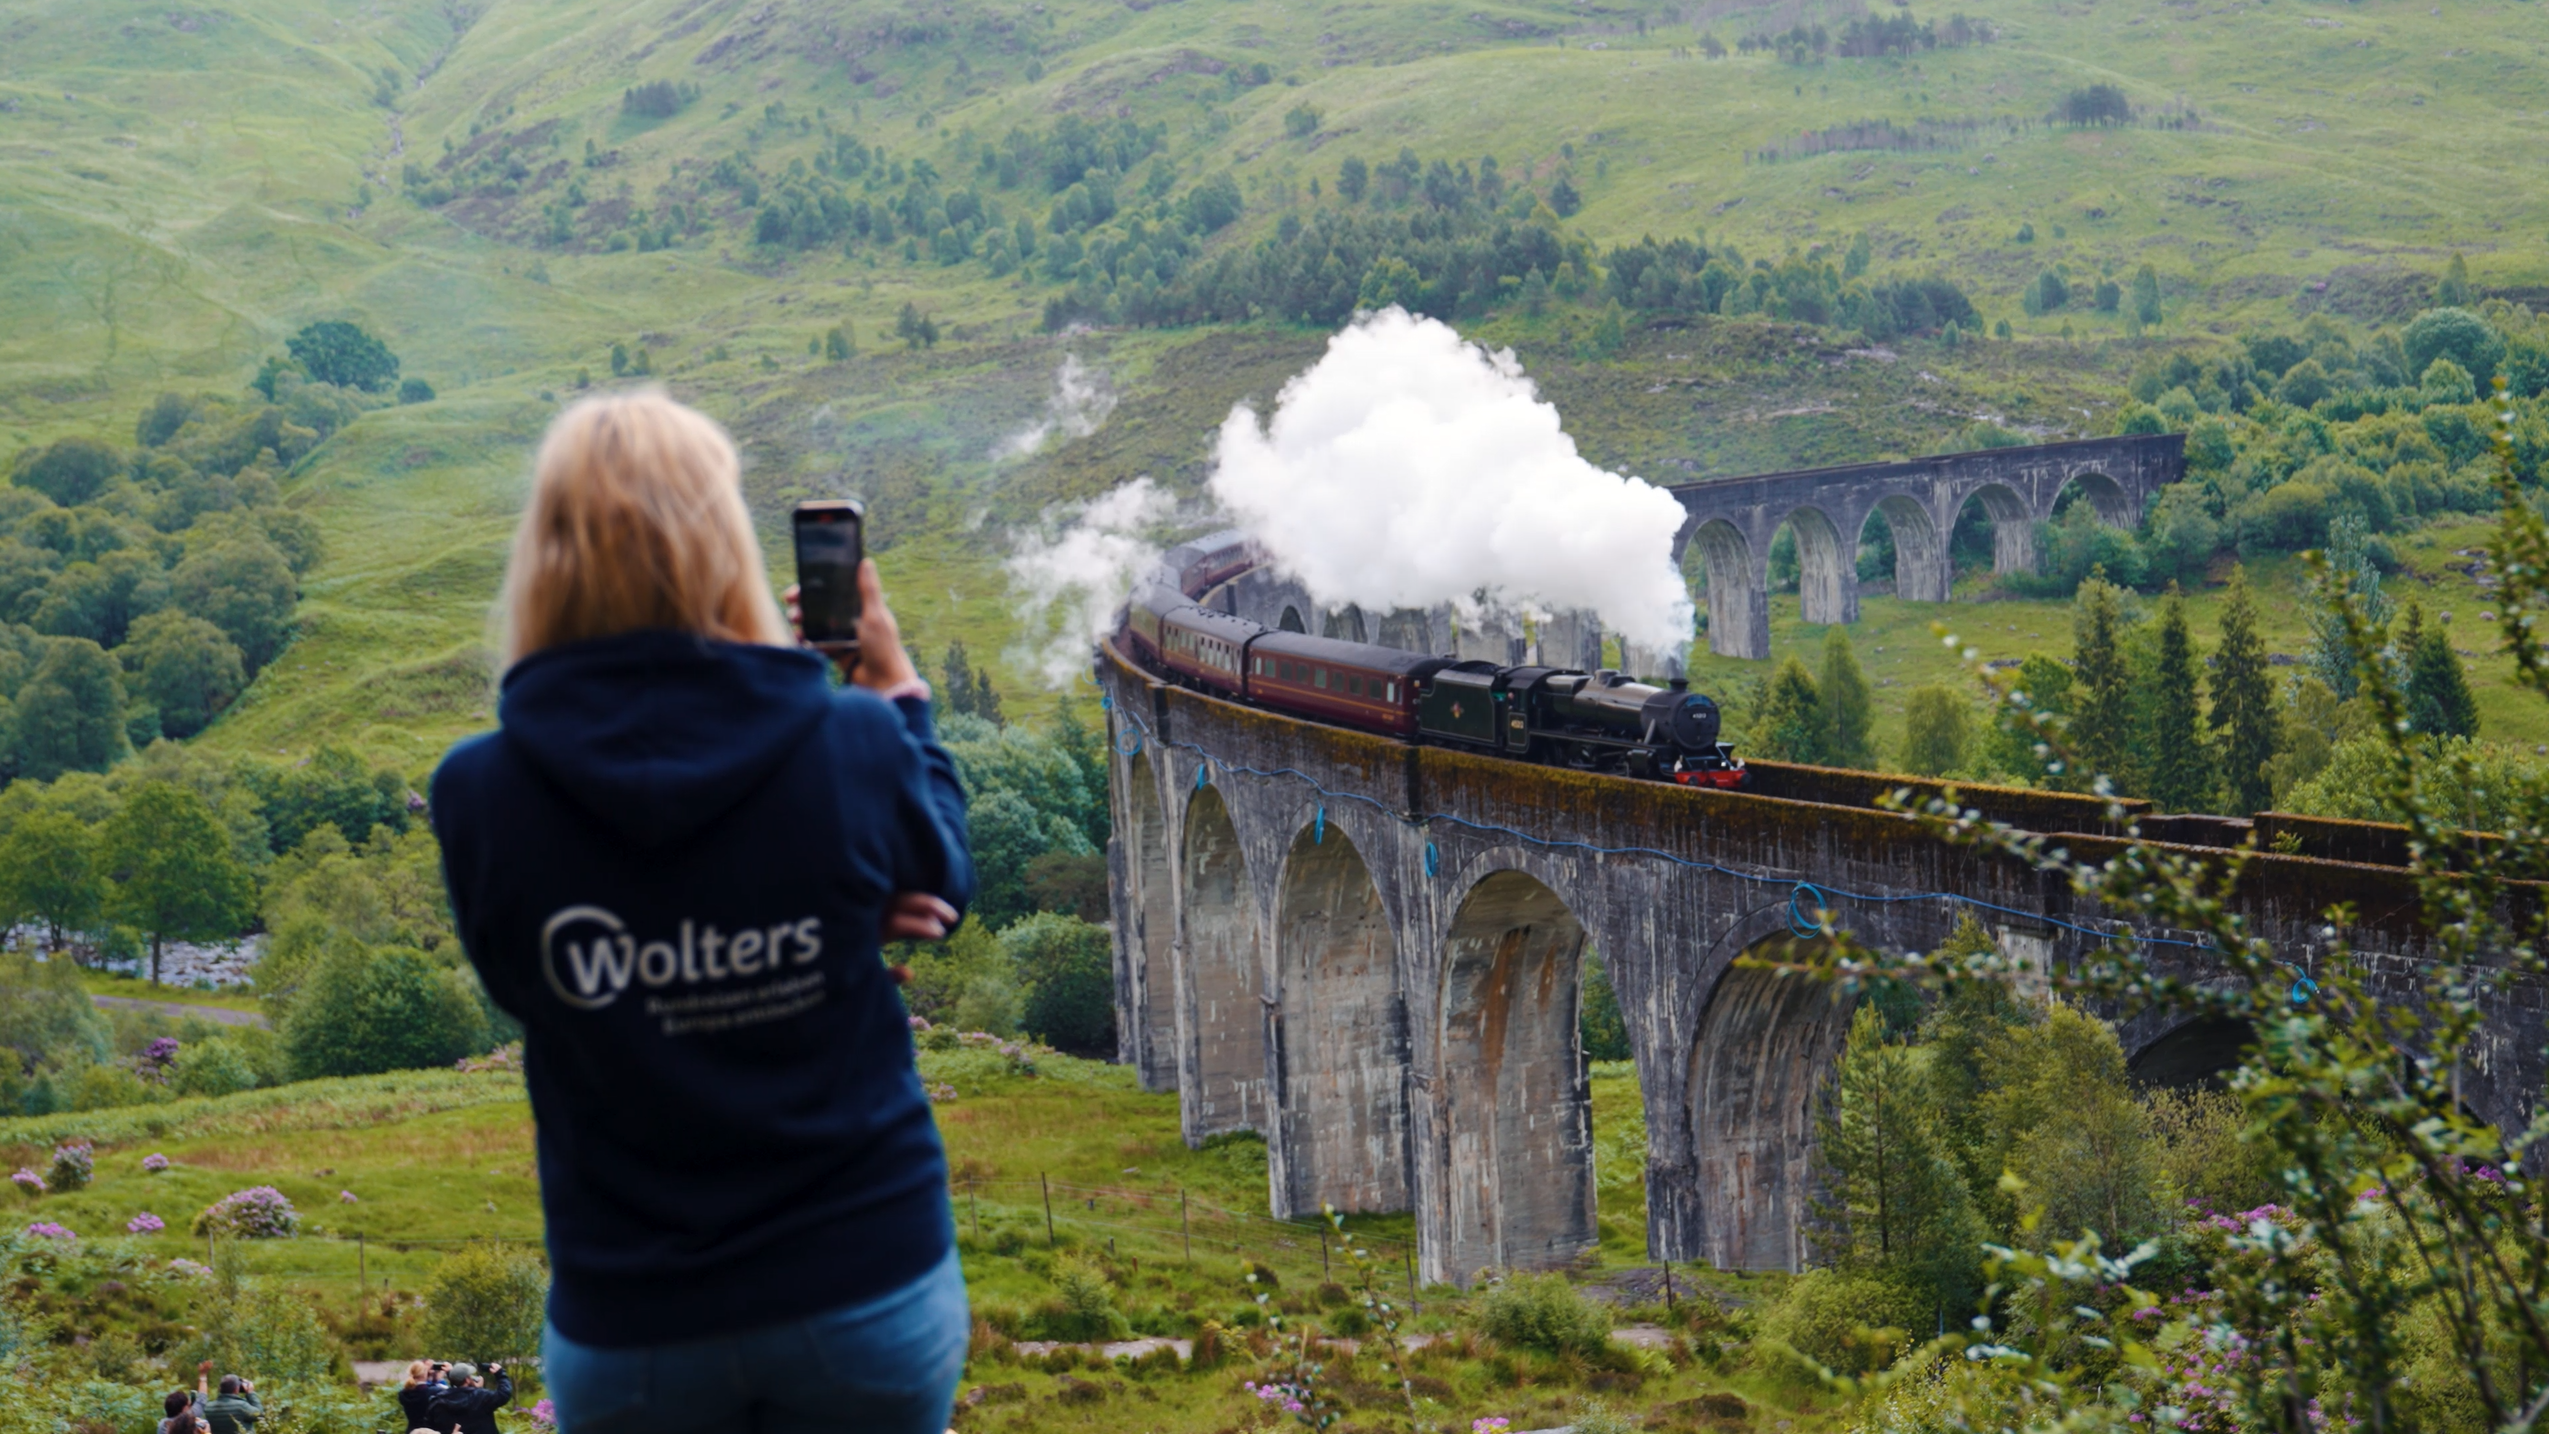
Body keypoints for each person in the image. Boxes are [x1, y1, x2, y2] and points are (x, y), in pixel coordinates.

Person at [431, 391, 975, 1433]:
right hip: (862, 1272)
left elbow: (522, 988)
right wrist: (899, 699)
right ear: (721, 542)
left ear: (544, 555)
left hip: (634, 1310)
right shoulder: (847, 743)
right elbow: (942, 882)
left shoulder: (480, 791)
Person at [424, 1363, 511, 1434]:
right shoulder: (481, 1396)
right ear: (467, 1380)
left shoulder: (438, 1400)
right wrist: (500, 1374)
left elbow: (430, 1427)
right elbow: (504, 1394)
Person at [396, 1361, 443, 1430]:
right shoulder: (432, 1392)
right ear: (424, 1374)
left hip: (412, 1430)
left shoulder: (403, 1394)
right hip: (428, 1430)